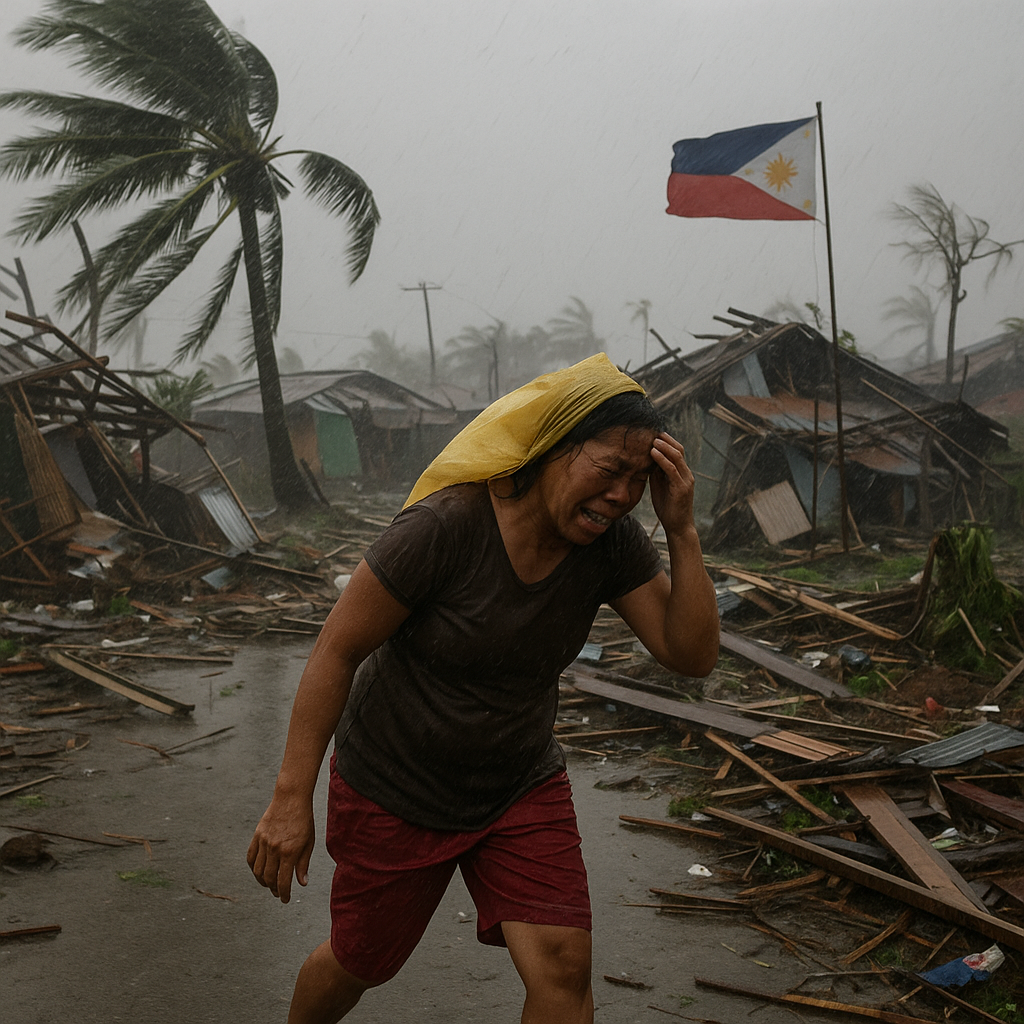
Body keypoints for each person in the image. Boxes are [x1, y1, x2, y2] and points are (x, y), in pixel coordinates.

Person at [247, 353, 720, 1024]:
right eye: (609, 470)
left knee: (562, 966)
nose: (620, 496)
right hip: (395, 784)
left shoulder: (610, 544)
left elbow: (691, 654)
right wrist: (291, 799)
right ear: (552, 448)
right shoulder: (446, 527)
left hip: (517, 782)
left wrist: (681, 528)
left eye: (638, 480)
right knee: (360, 963)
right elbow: (337, 649)